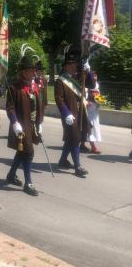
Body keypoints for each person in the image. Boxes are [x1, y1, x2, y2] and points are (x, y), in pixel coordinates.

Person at [5, 55, 43, 196]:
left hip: (33, 124)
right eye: (28, 70)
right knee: (28, 152)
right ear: (22, 72)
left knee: (22, 151)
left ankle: (11, 175)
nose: (31, 73)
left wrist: (40, 123)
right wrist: (15, 122)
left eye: (32, 70)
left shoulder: (34, 86)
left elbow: (39, 106)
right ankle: (28, 183)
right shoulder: (14, 87)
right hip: (22, 124)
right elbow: (10, 107)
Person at [55, 48, 90, 178]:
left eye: (74, 64)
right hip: (69, 115)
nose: (73, 67)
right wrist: (66, 113)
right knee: (75, 139)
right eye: (70, 65)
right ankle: (77, 167)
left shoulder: (79, 77)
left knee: (71, 139)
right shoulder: (60, 81)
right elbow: (59, 99)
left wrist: (88, 71)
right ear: (65, 67)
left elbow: (90, 83)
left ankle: (63, 160)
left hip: (80, 112)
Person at [80, 72, 102, 154]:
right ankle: (93, 147)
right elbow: (82, 95)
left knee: (90, 127)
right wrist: (86, 101)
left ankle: (82, 144)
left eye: (96, 75)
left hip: (94, 110)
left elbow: (98, 96)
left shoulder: (97, 85)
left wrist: (100, 102)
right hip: (88, 110)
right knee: (90, 128)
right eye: (94, 76)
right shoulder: (86, 85)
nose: (95, 77)